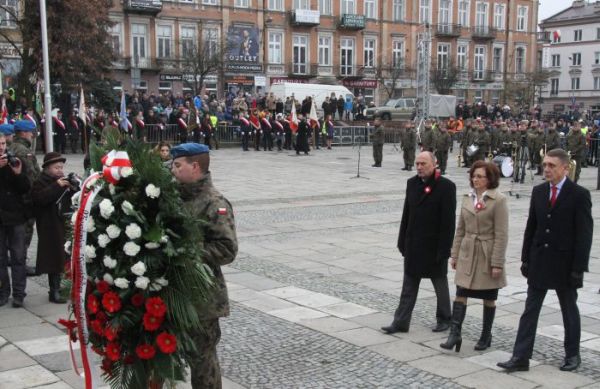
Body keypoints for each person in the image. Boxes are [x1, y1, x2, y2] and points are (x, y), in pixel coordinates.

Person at [498, 148, 593, 373]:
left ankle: (572, 354)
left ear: (565, 168)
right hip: (540, 260)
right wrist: (525, 259)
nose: (546, 169)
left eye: (552, 165)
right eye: (545, 165)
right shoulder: (539, 191)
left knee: (569, 310)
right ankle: (521, 356)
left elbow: (584, 235)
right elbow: (532, 227)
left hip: (565, 264)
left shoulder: (579, 194)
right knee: (530, 310)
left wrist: (578, 268)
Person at [170, 143, 238, 388]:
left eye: (178, 165)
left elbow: (227, 249)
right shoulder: (172, 196)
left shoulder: (214, 203)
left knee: (202, 361)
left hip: (202, 298)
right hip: (172, 291)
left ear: (195, 166)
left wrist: (186, 251)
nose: (172, 170)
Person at [382, 152, 456, 334]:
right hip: (414, 243)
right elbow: (407, 214)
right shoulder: (412, 183)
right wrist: (402, 241)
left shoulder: (446, 187)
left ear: (434, 164)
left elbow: (448, 223)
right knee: (408, 286)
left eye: (423, 163)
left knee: (440, 284)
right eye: (417, 164)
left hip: (434, 245)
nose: (419, 167)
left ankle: (445, 318)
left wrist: (445, 250)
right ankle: (401, 321)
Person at [440, 161, 508, 352]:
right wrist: (454, 254)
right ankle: (455, 333)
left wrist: (497, 263)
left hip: (486, 253)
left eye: (480, 176)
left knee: (488, 296)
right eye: (473, 176)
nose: (475, 179)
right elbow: (460, 228)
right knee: (461, 292)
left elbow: (501, 234)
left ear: (490, 179)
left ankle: (486, 335)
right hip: (468, 252)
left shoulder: (499, 200)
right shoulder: (466, 198)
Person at [31, 152, 78, 304]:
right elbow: (39, 199)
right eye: (56, 167)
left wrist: (73, 187)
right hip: (49, 225)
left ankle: (66, 287)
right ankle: (54, 290)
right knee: (53, 257)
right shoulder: (40, 182)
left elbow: (73, 199)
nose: (60, 170)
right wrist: (56, 186)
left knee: (66, 256)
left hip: (63, 222)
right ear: (47, 168)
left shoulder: (62, 180)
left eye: (61, 167)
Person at [0, 133, 30, 307]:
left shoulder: (16, 160)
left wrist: (18, 174)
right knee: (0, 258)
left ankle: (19, 294)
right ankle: (3, 292)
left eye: (3, 143)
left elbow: (26, 188)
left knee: (19, 256)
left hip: (16, 216)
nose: (1, 147)